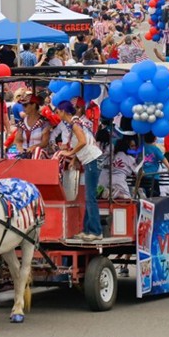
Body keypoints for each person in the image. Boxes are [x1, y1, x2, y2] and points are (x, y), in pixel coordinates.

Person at [56, 101, 103, 241]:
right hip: (90, 160)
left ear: (63, 111)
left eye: (58, 111)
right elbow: (83, 142)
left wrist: (70, 154)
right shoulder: (76, 123)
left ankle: (96, 231)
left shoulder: (75, 124)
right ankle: (87, 229)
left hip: (92, 160)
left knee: (90, 197)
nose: (57, 114)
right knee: (89, 197)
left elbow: (82, 141)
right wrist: (75, 159)